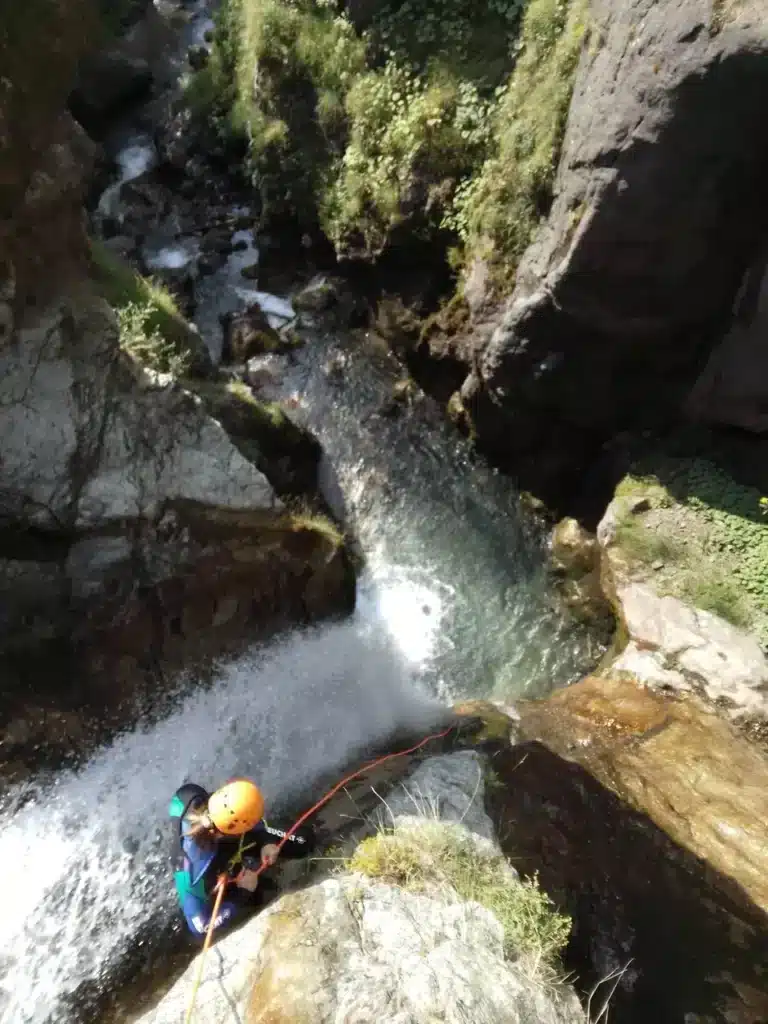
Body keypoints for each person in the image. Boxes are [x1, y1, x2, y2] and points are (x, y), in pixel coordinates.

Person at [168, 777, 314, 941]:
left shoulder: (193, 795)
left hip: (225, 836)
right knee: (259, 895)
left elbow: (250, 819)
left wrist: (267, 841)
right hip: (215, 866)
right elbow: (200, 928)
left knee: (303, 842)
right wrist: (243, 893)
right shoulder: (193, 872)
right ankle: (246, 887)